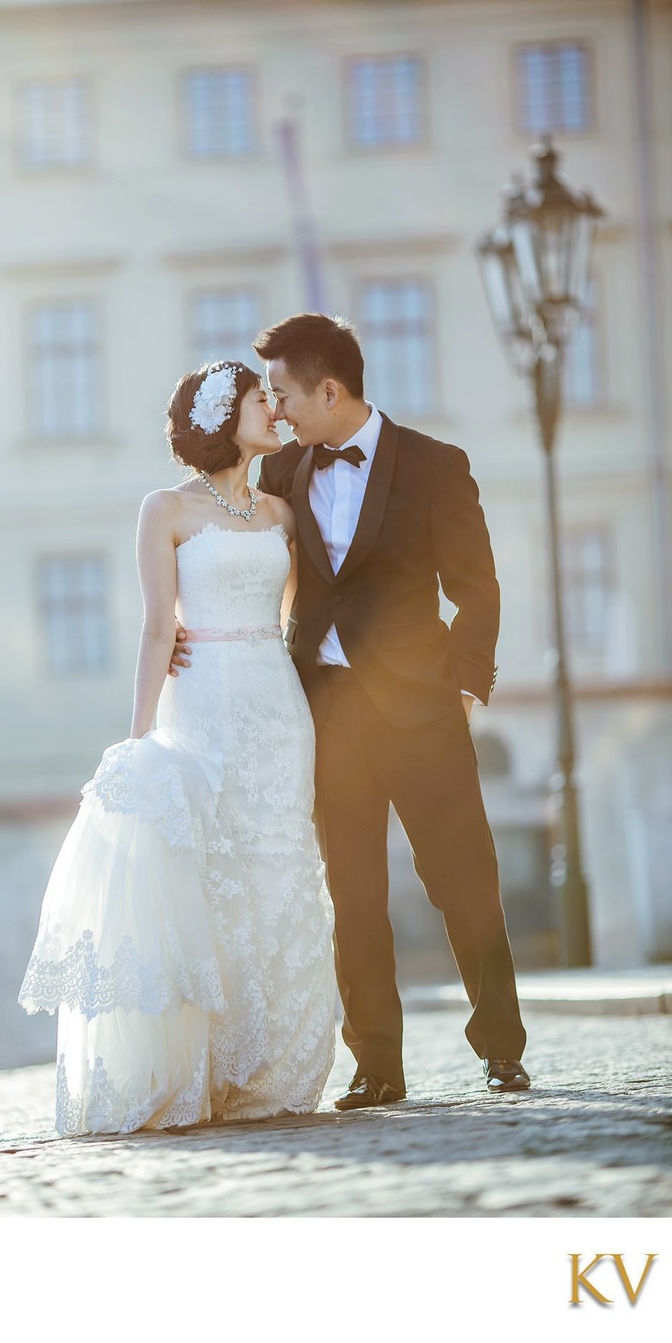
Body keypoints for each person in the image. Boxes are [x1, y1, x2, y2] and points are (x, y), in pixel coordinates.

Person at [173, 313, 529, 1106]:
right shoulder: (283, 472)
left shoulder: (438, 465)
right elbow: (235, 549)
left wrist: (468, 683)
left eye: (285, 394)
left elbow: (476, 585)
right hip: (323, 712)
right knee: (353, 893)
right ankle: (377, 1063)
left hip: (422, 710)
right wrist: (179, 630)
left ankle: (500, 1044)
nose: (278, 408)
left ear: (329, 389)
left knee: (463, 879)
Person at [19, 360, 336, 1135]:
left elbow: (299, 615)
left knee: (280, 870)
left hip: (276, 707)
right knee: (208, 871)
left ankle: (276, 1067)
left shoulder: (282, 514)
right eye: (264, 400)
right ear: (226, 414)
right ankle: (208, 1068)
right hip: (200, 708)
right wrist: (135, 742)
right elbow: (158, 628)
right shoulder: (163, 509)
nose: (277, 410)